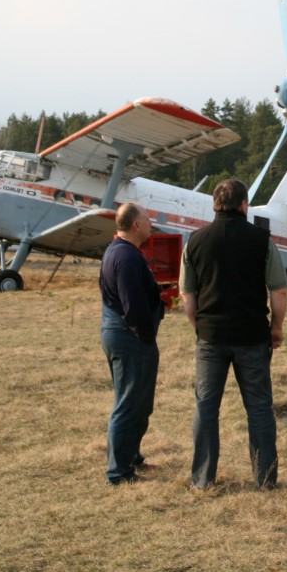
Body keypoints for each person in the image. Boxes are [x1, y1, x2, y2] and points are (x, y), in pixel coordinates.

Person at [180, 179, 287, 491]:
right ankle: (265, 479)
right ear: (244, 205)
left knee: (206, 407)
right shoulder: (262, 239)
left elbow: (187, 294)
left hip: (211, 337)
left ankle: (202, 479)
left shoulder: (195, 240)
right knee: (258, 408)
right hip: (252, 336)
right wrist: (276, 327)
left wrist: (199, 327)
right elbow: (279, 290)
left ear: (215, 204)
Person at [98, 202, 164, 485]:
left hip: (123, 334)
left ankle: (129, 456)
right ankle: (118, 472)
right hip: (129, 337)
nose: (151, 223)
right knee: (128, 403)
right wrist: (147, 336)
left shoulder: (119, 251)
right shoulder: (125, 257)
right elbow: (133, 306)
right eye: (147, 219)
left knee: (136, 401)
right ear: (136, 225)